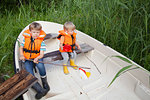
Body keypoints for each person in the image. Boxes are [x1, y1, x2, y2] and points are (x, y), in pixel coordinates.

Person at [19, 22, 50, 99]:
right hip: (27, 59)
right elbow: (21, 48)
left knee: (41, 66)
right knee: (29, 74)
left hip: (37, 57)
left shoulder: (41, 42)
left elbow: (42, 54)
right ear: (30, 32)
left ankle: (44, 82)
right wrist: (22, 55)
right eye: (34, 32)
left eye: (37, 32)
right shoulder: (26, 39)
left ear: (40, 32)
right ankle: (41, 90)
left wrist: (37, 58)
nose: (36, 34)